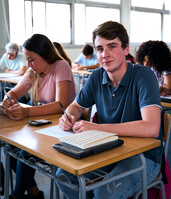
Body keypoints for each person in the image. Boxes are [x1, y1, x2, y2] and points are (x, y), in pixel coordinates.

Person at [56, 21, 163, 199]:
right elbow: (75, 106)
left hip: (144, 156)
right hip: (108, 149)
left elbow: (151, 128)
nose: (104, 54)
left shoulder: (144, 75)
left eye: (112, 46)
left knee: (104, 192)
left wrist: (97, 128)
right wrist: (69, 116)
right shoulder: (97, 76)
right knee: (64, 176)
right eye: (99, 49)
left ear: (126, 49)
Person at [2, 34, 76, 199]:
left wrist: (26, 112)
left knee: (25, 151)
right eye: (27, 60)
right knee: (11, 149)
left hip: (64, 127)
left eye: (31, 59)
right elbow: (15, 91)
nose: (28, 64)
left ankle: (17, 195)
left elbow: (60, 105)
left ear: (45, 55)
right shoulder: (33, 71)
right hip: (44, 124)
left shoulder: (60, 66)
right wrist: (8, 99)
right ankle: (34, 192)